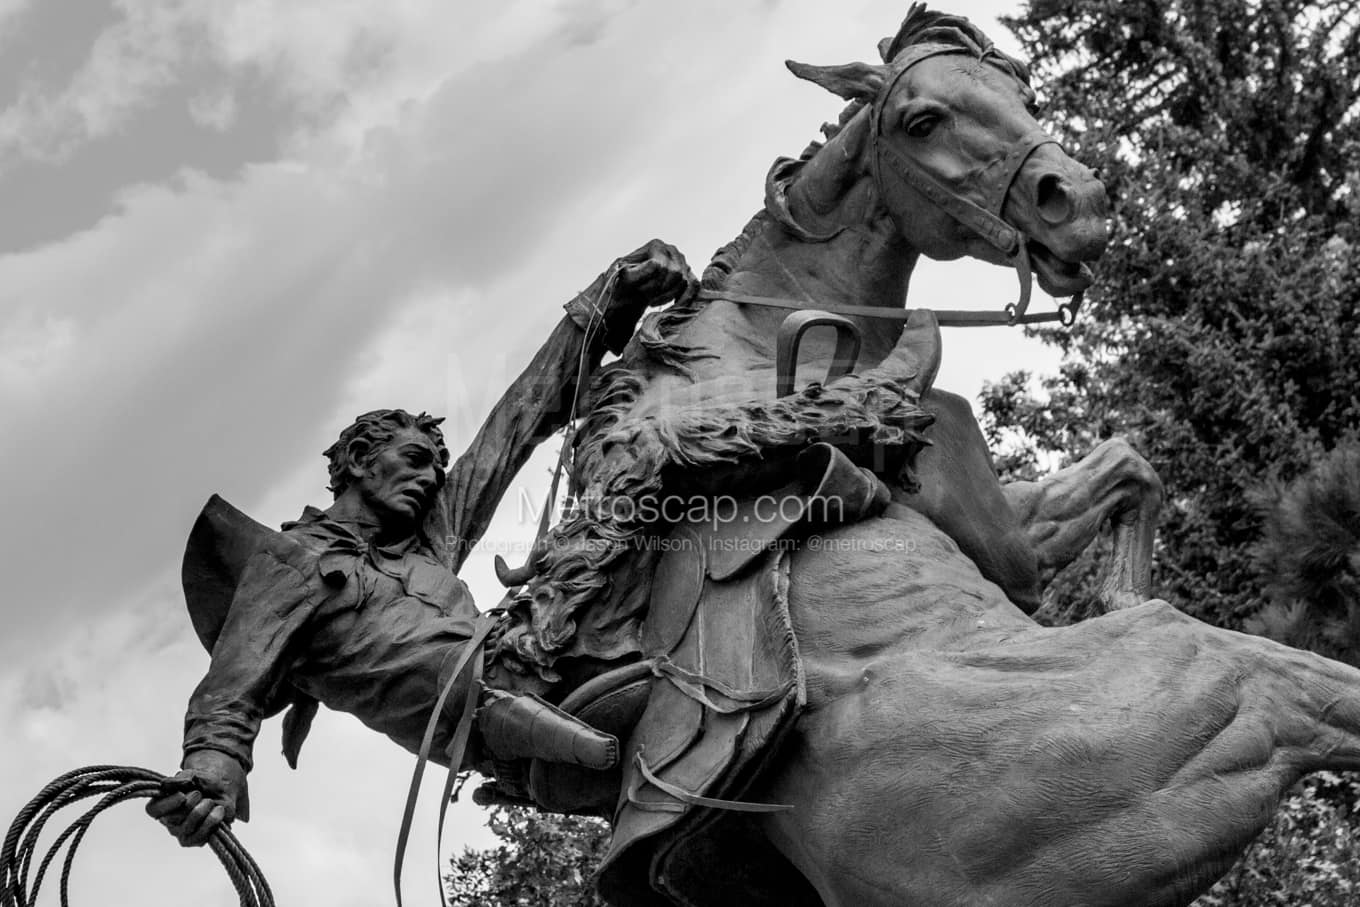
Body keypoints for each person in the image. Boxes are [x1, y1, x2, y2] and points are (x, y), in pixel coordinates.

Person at [147, 240, 698, 846]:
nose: (430, 479)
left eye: (437, 470)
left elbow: (519, 418)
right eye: (413, 461)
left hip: (541, 656)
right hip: (506, 710)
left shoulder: (427, 543)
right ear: (360, 460)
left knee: (664, 490)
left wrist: (611, 295)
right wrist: (212, 767)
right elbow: (232, 685)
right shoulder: (293, 563)